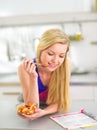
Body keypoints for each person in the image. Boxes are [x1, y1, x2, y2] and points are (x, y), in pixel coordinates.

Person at [18, 28, 71, 120]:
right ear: (40, 50)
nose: (55, 61)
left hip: (51, 108)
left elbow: (60, 101)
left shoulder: (66, 64)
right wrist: (33, 77)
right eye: (50, 54)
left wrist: (44, 112)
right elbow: (32, 107)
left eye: (61, 56)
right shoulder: (24, 67)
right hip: (29, 102)